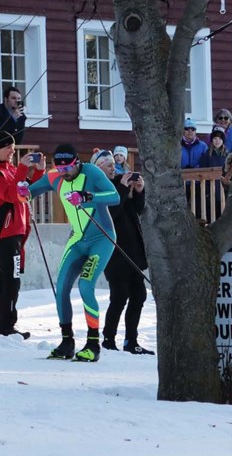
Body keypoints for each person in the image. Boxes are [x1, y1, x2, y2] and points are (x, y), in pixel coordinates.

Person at [29, 144, 120, 361]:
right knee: (61, 288)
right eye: (60, 169)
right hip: (78, 239)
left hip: (101, 238)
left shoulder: (91, 172)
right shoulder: (55, 177)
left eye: (68, 168)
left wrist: (88, 197)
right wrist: (24, 190)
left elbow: (114, 196)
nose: (64, 173)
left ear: (77, 163)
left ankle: (93, 344)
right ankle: (67, 341)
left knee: (86, 286)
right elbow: (31, 191)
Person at [92, 150, 152, 355]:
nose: (112, 167)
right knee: (119, 296)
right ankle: (108, 338)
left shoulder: (119, 182)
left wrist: (139, 190)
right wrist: (124, 189)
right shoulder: (96, 188)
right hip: (113, 250)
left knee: (139, 294)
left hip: (132, 247)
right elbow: (110, 213)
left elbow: (137, 208)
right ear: (97, 168)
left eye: (112, 164)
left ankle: (131, 340)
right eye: (107, 165)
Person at [0, 132, 34, 338]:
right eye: (7, 148)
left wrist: (36, 172)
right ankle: (7, 326)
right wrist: (22, 169)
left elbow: (26, 190)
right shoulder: (2, 173)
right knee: (11, 280)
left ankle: (5, 324)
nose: (12, 151)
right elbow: (12, 194)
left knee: (10, 279)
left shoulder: (10, 169)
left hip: (16, 233)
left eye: (13, 148)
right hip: (6, 234)